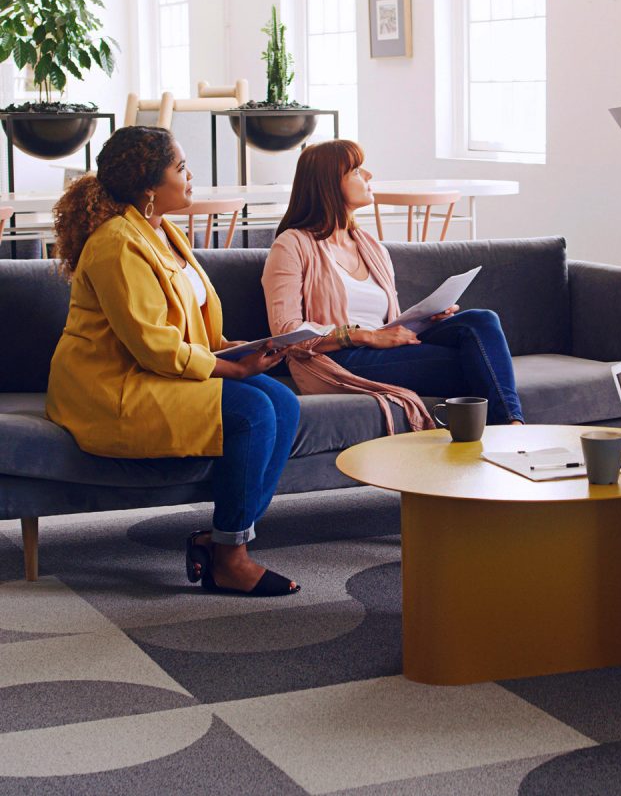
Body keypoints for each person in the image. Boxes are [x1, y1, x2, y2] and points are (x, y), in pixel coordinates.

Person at [46, 126, 302, 597]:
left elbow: (188, 325)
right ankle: (230, 557)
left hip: (155, 373)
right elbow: (155, 346)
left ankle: (223, 539)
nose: (190, 177)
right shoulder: (117, 244)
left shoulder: (160, 231)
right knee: (251, 411)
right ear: (149, 186)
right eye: (180, 168)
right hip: (113, 388)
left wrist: (234, 347)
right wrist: (236, 369)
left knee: (283, 403)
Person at [261, 140, 524, 430]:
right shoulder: (291, 245)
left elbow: (387, 324)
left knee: (480, 320)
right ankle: (509, 433)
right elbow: (285, 331)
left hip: (383, 348)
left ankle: (512, 426)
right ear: (329, 184)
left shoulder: (371, 247)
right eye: (357, 171)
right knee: (476, 363)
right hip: (339, 357)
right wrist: (363, 336)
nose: (369, 175)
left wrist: (423, 320)